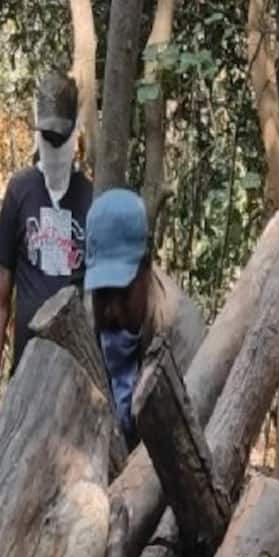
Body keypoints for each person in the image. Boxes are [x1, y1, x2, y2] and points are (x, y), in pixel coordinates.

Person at [0, 71, 90, 433]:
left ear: (75, 132)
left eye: (61, 136)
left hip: (75, 384)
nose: (54, 145)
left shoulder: (91, 200)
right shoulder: (20, 191)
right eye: (47, 136)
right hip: (25, 380)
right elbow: (0, 300)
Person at [82, 188, 207, 448]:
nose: (112, 311)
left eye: (123, 294)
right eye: (102, 294)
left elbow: (190, 441)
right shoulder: (81, 321)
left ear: (147, 267)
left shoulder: (183, 333)